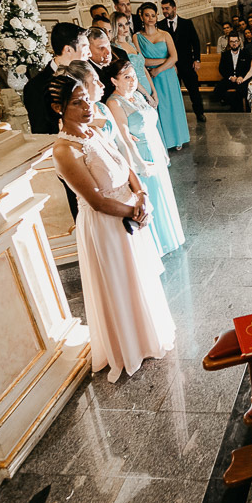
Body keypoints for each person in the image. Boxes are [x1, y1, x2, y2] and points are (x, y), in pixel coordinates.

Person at [49, 72, 175, 383]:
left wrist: (142, 195)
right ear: (58, 109)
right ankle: (127, 346)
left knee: (138, 276)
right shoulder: (65, 151)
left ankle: (147, 334)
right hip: (106, 224)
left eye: (86, 100)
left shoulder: (94, 132)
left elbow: (126, 166)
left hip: (130, 212)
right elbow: (96, 201)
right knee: (119, 282)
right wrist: (134, 212)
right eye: (77, 103)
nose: (87, 107)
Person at [104, 61, 185, 256]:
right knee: (152, 196)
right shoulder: (114, 103)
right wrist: (140, 164)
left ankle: (170, 238)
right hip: (140, 154)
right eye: (126, 77)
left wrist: (162, 150)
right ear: (114, 81)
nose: (133, 81)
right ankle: (156, 246)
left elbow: (152, 126)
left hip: (155, 148)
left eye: (134, 76)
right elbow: (125, 137)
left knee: (163, 193)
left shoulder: (138, 95)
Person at [136, 3, 189, 150]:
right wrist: (165, 60)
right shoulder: (137, 37)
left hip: (167, 75)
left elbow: (175, 57)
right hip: (151, 78)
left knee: (172, 105)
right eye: (147, 15)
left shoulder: (165, 34)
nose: (150, 18)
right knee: (159, 107)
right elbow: (141, 60)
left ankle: (178, 138)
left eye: (153, 15)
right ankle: (164, 141)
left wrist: (158, 69)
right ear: (141, 17)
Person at [23, 23, 88, 135]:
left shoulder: (85, 74)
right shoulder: (36, 87)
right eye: (85, 47)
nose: (89, 53)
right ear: (68, 49)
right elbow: (42, 132)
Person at [159, 0, 206, 123]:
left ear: (174, 8)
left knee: (194, 90)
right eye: (163, 9)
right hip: (170, 65)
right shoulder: (160, 25)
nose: (164, 11)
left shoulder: (186, 23)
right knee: (173, 92)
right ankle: (176, 116)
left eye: (167, 8)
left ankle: (200, 113)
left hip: (187, 63)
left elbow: (195, 42)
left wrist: (197, 60)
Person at [110, 11, 157, 110]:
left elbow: (144, 69)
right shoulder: (116, 49)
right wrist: (147, 95)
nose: (125, 28)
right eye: (120, 25)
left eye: (126, 24)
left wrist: (154, 91)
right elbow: (127, 75)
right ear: (114, 27)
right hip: (135, 89)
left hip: (147, 85)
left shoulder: (130, 44)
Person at [215, 34, 252, 111]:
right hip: (230, 79)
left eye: (236, 41)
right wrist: (230, 77)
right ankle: (228, 104)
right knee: (218, 89)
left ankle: (238, 110)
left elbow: (248, 68)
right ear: (229, 43)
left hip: (241, 80)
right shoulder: (225, 54)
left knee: (241, 90)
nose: (234, 43)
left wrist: (242, 77)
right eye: (232, 41)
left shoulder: (245, 54)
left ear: (239, 42)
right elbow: (221, 69)